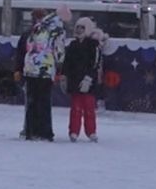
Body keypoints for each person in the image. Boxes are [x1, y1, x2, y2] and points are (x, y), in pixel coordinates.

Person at [15, 8, 65, 140]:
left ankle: (30, 131)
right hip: (47, 70)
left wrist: (20, 68)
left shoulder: (32, 31)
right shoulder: (57, 31)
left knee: (31, 102)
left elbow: (24, 50)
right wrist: (59, 68)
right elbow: (59, 52)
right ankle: (45, 132)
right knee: (44, 102)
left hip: (31, 69)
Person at [61, 17, 105, 142]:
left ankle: (91, 131)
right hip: (75, 81)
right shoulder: (72, 45)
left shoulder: (93, 45)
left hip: (88, 82)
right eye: (78, 28)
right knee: (75, 108)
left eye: (82, 28)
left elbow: (95, 63)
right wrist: (64, 76)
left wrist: (89, 78)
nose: (79, 30)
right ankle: (74, 131)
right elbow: (66, 63)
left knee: (89, 108)